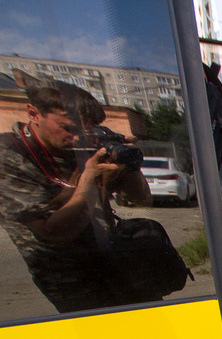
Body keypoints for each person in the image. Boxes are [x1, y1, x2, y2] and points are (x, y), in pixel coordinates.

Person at [0, 81, 155, 313]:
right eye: (68, 128)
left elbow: (141, 200)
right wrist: (90, 177)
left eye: (85, 131)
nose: (77, 139)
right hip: (71, 280)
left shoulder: (85, 146)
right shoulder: (10, 155)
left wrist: (128, 163)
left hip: (117, 266)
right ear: (33, 113)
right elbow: (54, 232)